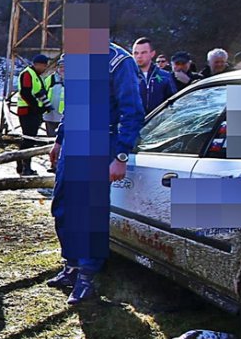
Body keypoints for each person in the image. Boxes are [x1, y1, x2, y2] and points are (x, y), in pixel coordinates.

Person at [47, 42, 144, 304]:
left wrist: (121, 156)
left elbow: (132, 112)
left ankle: (87, 277)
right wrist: (59, 140)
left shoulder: (119, 62)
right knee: (63, 205)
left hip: (102, 141)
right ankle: (72, 265)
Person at [12, 54, 51, 175]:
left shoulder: (36, 76)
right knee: (28, 140)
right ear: (38, 64)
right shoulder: (28, 74)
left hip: (31, 111)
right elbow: (26, 93)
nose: (45, 68)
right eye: (44, 66)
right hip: (27, 111)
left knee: (29, 140)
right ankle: (24, 167)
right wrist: (36, 108)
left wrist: (44, 105)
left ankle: (23, 165)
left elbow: (37, 92)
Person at [132, 37, 176, 113]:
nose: (139, 56)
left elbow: (173, 102)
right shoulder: (127, 76)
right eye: (136, 53)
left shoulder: (165, 76)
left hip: (158, 122)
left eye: (143, 52)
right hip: (133, 122)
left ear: (152, 54)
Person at [43, 57, 64, 137]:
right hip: (50, 115)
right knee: (51, 138)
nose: (63, 69)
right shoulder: (50, 79)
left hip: (65, 117)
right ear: (57, 68)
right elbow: (42, 93)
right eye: (61, 67)